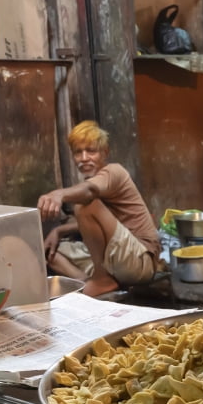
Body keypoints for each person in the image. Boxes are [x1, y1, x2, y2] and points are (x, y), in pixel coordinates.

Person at [38, 120, 161, 297]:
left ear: (105, 153)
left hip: (141, 262)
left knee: (84, 204)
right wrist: (59, 231)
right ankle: (88, 281)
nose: (84, 158)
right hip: (118, 260)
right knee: (50, 252)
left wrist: (58, 194)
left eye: (91, 151)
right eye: (78, 152)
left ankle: (102, 279)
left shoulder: (114, 172)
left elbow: (89, 193)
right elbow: (90, 221)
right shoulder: (91, 183)